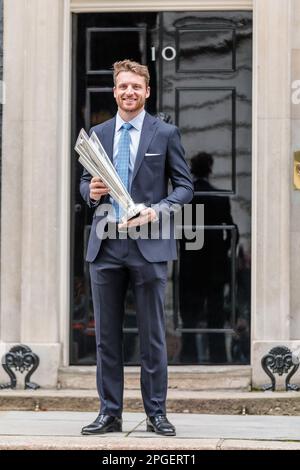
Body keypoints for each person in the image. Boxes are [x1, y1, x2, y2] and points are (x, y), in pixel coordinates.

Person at [79, 60, 193, 436]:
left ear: (147, 92)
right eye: (123, 86)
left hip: (149, 246)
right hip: (106, 246)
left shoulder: (166, 134)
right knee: (107, 339)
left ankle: (156, 414)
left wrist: (157, 211)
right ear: (115, 91)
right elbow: (84, 184)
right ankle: (109, 413)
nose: (129, 92)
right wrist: (90, 191)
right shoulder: (98, 132)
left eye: (136, 87)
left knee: (153, 337)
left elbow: (184, 188)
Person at [179, 152, 238, 363]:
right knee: (215, 313)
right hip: (215, 265)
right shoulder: (219, 197)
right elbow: (232, 231)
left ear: (192, 170)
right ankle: (218, 355)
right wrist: (224, 251)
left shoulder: (185, 196)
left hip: (190, 264)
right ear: (210, 169)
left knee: (189, 314)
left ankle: (188, 355)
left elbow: (180, 232)